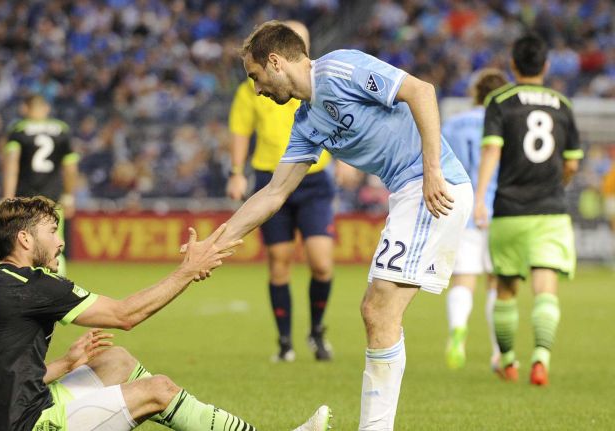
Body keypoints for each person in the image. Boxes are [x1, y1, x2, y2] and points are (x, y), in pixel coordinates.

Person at [196, 21, 472, 430]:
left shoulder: (340, 69)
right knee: (378, 312)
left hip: (431, 188)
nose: (256, 89)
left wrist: (432, 170)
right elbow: (273, 194)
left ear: (275, 63)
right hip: (410, 192)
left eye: (255, 77)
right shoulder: (307, 122)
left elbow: (421, 91)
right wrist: (215, 243)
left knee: (379, 310)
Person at [0, 196, 331, 431]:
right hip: (29, 425)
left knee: (115, 360)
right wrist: (187, 271)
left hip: (11, 415)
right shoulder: (32, 286)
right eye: (53, 231)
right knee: (158, 389)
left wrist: (66, 364)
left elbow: (1, 379)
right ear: (24, 239)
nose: (61, 240)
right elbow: (125, 315)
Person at [227, 20, 345, 362]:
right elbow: (239, 131)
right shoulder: (254, 87)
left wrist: (346, 159)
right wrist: (237, 172)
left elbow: (339, 119)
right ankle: (284, 342)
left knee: (322, 263)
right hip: (270, 176)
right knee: (279, 262)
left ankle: (317, 331)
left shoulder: (320, 82)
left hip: (314, 177)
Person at [474, 33, 582, 386]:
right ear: (546, 66)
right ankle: (541, 357)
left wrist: (480, 200)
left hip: (509, 209)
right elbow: (572, 166)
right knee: (545, 286)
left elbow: (491, 151)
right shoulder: (562, 104)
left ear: (513, 65)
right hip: (550, 210)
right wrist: (557, 183)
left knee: (505, 290)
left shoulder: (500, 100)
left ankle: (507, 361)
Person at [441, 68, 509, 370]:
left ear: (475, 93)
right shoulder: (507, 125)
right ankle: (499, 352)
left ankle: (458, 329)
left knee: (463, 280)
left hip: (463, 209)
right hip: (500, 210)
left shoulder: (454, 124)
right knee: (498, 284)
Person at [3, 94, 78, 276]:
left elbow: (12, 165)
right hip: (52, 198)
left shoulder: (19, 130)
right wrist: (69, 195)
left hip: (25, 198)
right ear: (46, 109)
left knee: (23, 243)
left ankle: (22, 286)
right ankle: (59, 289)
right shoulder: (61, 130)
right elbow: (70, 168)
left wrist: (8, 197)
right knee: (53, 242)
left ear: (25, 108)